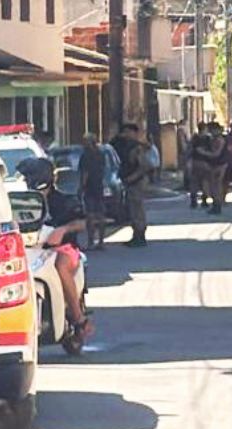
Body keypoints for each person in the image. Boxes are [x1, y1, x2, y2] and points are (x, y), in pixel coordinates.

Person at [26, 169, 95, 341]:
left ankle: (79, 318)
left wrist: (63, 229)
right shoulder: (25, 202)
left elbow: (83, 222)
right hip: (36, 249)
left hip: (65, 248)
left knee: (61, 266)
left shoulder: (65, 200)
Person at [111, 123, 149, 247]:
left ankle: (140, 235)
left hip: (136, 181)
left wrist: (132, 178)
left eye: (129, 132)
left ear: (134, 133)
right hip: (130, 181)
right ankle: (136, 235)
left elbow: (143, 166)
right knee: (132, 209)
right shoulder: (125, 145)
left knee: (137, 209)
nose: (126, 135)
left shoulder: (137, 148)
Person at [78, 133, 106, 250]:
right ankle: (100, 241)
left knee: (90, 215)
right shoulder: (100, 154)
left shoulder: (86, 156)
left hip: (89, 187)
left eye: (85, 141)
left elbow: (85, 173)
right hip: (99, 186)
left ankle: (91, 241)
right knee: (100, 214)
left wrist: (81, 187)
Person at [197, 122, 228, 215]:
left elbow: (216, 154)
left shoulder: (219, 139)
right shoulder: (213, 139)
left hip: (220, 165)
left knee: (216, 186)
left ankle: (217, 205)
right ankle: (215, 204)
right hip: (214, 165)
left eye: (210, 130)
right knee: (213, 186)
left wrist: (203, 152)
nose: (209, 132)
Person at [189, 122, 211, 209]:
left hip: (196, 161)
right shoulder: (205, 138)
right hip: (202, 161)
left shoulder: (195, 138)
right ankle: (203, 200)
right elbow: (198, 150)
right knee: (204, 181)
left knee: (196, 182)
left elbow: (191, 149)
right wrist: (210, 154)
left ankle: (194, 200)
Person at [177, 119, 191, 190]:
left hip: (185, 151)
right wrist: (184, 150)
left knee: (186, 168)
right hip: (185, 152)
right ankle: (187, 184)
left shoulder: (181, 130)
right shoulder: (181, 130)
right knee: (186, 168)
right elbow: (182, 142)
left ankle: (187, 183)